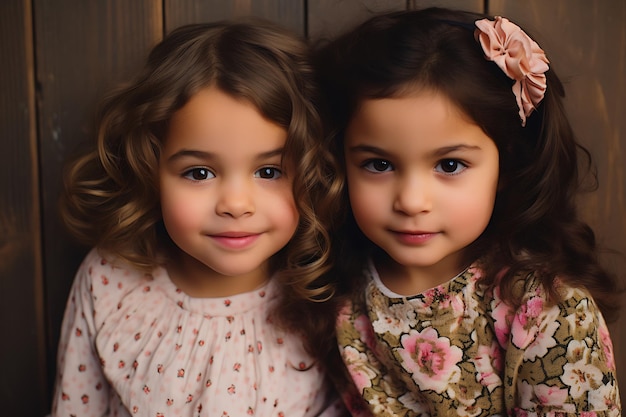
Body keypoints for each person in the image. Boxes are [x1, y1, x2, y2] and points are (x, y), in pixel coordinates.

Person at [314, 7, 622, 416]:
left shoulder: (544, 310)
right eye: (379, 164)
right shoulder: (333, 288)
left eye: (449, 165)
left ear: (508, 167)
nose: (411, 201)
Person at [52, 18, 345, 417]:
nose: (236, 204)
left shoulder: (324, 290)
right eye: (199, 173)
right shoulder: (110, 280)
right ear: (149, 171)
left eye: (269, 172)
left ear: (311, 173)